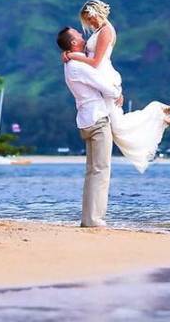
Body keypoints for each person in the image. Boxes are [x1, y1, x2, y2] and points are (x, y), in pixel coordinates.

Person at [63, 0, 170, 173]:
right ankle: (158, 116)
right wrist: (68, 53)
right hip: (98, 78)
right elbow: (87, 54)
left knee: (118, 126)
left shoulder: (106, 32)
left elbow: (95, 61)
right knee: (117, 125)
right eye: (87, 20)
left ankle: (158, 113)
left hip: (103, 76)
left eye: (90, 19)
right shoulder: (98, 31)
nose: (89, 23)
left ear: (97, 14)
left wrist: (73, 56)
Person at [58, 26, 122, 227]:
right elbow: (104, 86)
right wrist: (117, 92)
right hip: (97, 119)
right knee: (101, 170)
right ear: (73, 43)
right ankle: (94, 219)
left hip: (86, 119)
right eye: (78, 34)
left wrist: (68, 54)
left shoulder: (71, 64)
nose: (81, 34)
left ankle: (89, 218)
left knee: (92, 171)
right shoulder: (78, 66)